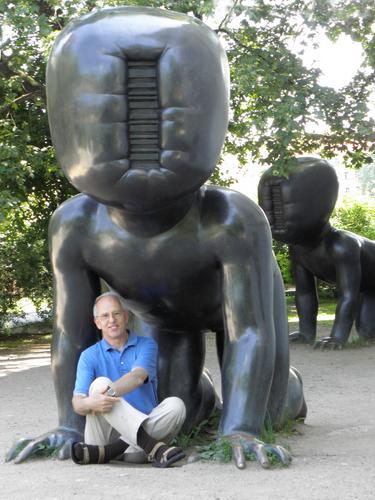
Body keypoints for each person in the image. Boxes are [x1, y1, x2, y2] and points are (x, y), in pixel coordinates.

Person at [71, 291, 186, 467]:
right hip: (103, 436)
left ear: (125, 316)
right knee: (99, 383)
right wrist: (91, 403)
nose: (112, 320)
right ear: (98, 323)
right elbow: (77, 403)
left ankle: (109, 452)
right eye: (105, 316)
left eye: (116, 313)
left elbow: (138, 377)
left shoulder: (146, 345)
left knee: (176, 406)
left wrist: (108, 394)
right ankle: (151, 447)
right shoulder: (89, 356)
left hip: (142, 430)